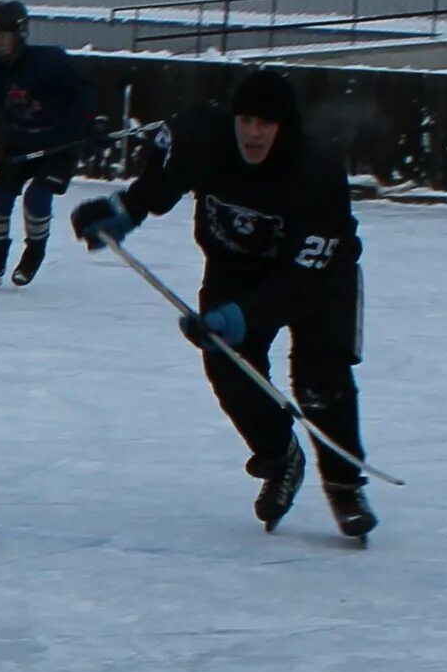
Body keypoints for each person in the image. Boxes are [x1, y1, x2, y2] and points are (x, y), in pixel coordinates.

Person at [71, 67, 374, 540]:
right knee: (229, 365)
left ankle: (344, 484)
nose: (254, 132)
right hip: (235, 265)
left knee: (321, 381)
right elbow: (161, 183)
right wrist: (122, 212)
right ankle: (279, 456)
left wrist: (244, 316)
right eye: (246, 119)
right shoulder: (199, 137)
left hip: (317, 278)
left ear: (285, 128)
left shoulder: (317, 173)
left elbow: (305, 277)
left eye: (267, 123)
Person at [0, 0, 95, 288]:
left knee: (37, 198)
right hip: (19, 145)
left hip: (58, 146)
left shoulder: (50, 62)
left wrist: (93, 124)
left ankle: (34, 252)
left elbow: (81, 91)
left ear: (20, 35)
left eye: (2, 37)